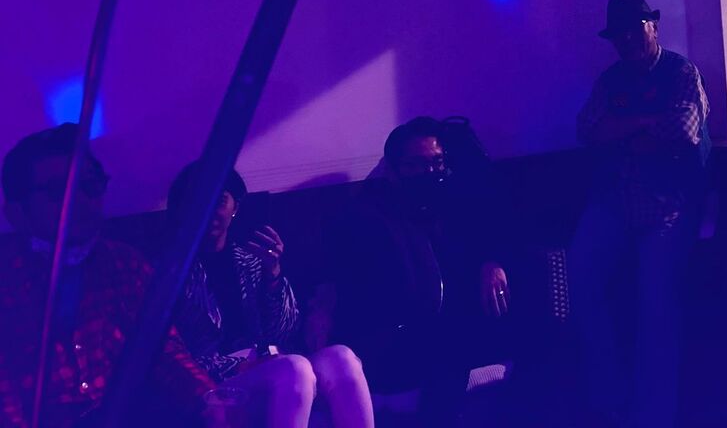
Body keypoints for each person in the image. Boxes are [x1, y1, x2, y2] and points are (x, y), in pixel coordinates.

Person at [0, 124, 214, 427]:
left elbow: (162, 350)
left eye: (90, 185)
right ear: (16, 212)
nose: (82, 201)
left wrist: (210, 400)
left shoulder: (124, 264)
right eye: (59, 191)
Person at [570, 0, 711, 428]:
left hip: (669, 206)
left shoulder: (681, 71)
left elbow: (684, 130)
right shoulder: (611, 79)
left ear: (654, 26)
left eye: (635, 28)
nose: (628, 38)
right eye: (620, 33)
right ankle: (608, 399)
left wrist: (621, 127)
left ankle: (653, 415)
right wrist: (647, 123)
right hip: (615, 203)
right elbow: (586, 129)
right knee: (578, 273)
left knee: (656, 304)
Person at [316, 116, 510, 425]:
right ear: (393, 170)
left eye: (436, 162)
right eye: (416, 165)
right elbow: (356, 295)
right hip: (393, 337)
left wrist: (491, 261)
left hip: (451, 324)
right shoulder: (368, 217)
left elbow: (485, 231)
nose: (429, 172)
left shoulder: (449, 204)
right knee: (448, 345)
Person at [167, 163, 374, 428]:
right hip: (219, 384)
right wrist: (238, 366)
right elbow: (172, 355)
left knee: (341, 358)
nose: (209, 211)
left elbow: (284, 332)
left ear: (234, 207)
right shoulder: (170, 273)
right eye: (198, 200)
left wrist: (273, 274)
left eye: (219, 201)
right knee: (294, 368)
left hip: (272, 364)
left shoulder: (250, 261)